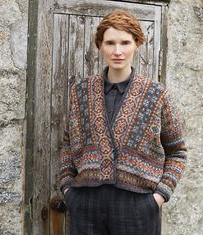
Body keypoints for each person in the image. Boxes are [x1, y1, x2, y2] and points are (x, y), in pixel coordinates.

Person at [60, 9, 187, 235]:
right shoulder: (80, 92)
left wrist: (159, 196)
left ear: (137, 43)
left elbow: (177, 152)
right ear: (100, 45)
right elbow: (68, 144)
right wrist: (68, 188)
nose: (117, 51)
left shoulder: (157, 94)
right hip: (85, 203)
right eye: (110, 43)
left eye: (125, 42)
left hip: (138, 204)